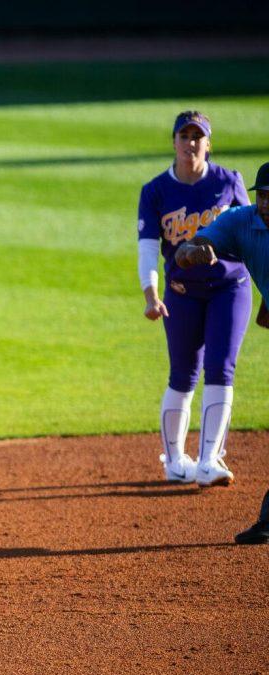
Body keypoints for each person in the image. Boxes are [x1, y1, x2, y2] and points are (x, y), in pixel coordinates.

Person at [137, 111, 252, 486]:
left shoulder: (228, 181)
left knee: (221, 368)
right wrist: (152, 295)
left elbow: (250, 236)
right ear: (173, 142)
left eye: (197, 137)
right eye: (184, 136)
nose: (191, 144)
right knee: (182, 376)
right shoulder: (155, 191)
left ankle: (208, 461)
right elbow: (148, 249)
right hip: (181, 294)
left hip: (229, 288)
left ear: (208, 143)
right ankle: (174, 461)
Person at [175, 161, 269, 544]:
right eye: (262, 195)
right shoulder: (244, 221)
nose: (266, 202)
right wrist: (194, 251)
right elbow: (188, 247)